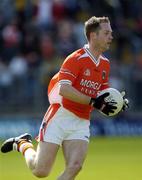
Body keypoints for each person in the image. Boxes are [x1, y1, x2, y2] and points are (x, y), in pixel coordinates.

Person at [1, 16, 129, 180]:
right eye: (106, 33)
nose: (111, 36)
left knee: (75, 167)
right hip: (60, 116)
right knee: (40, 171)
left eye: (111, 33)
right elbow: (64, 89)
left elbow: (102, 92)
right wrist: (93, 101)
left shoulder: (105, 63)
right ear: (93, 35)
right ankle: (23, 144)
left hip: (81, 121)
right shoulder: (75, 59)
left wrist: (117, 102)